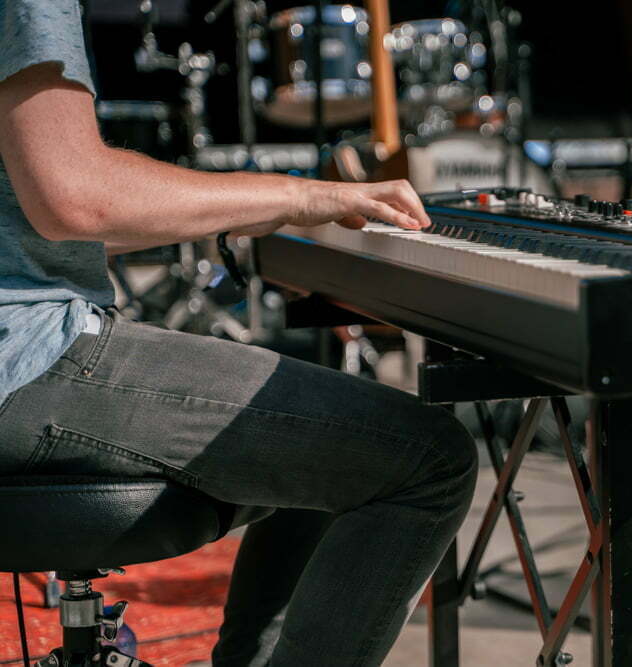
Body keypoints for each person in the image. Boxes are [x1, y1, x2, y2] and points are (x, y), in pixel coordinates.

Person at [0, 2, 478, 666]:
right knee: (428, 456)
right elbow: (75, 199)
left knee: (328, 439)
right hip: (26, 357)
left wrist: (250, 206)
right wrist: (297, 195)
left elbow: (45, 219)